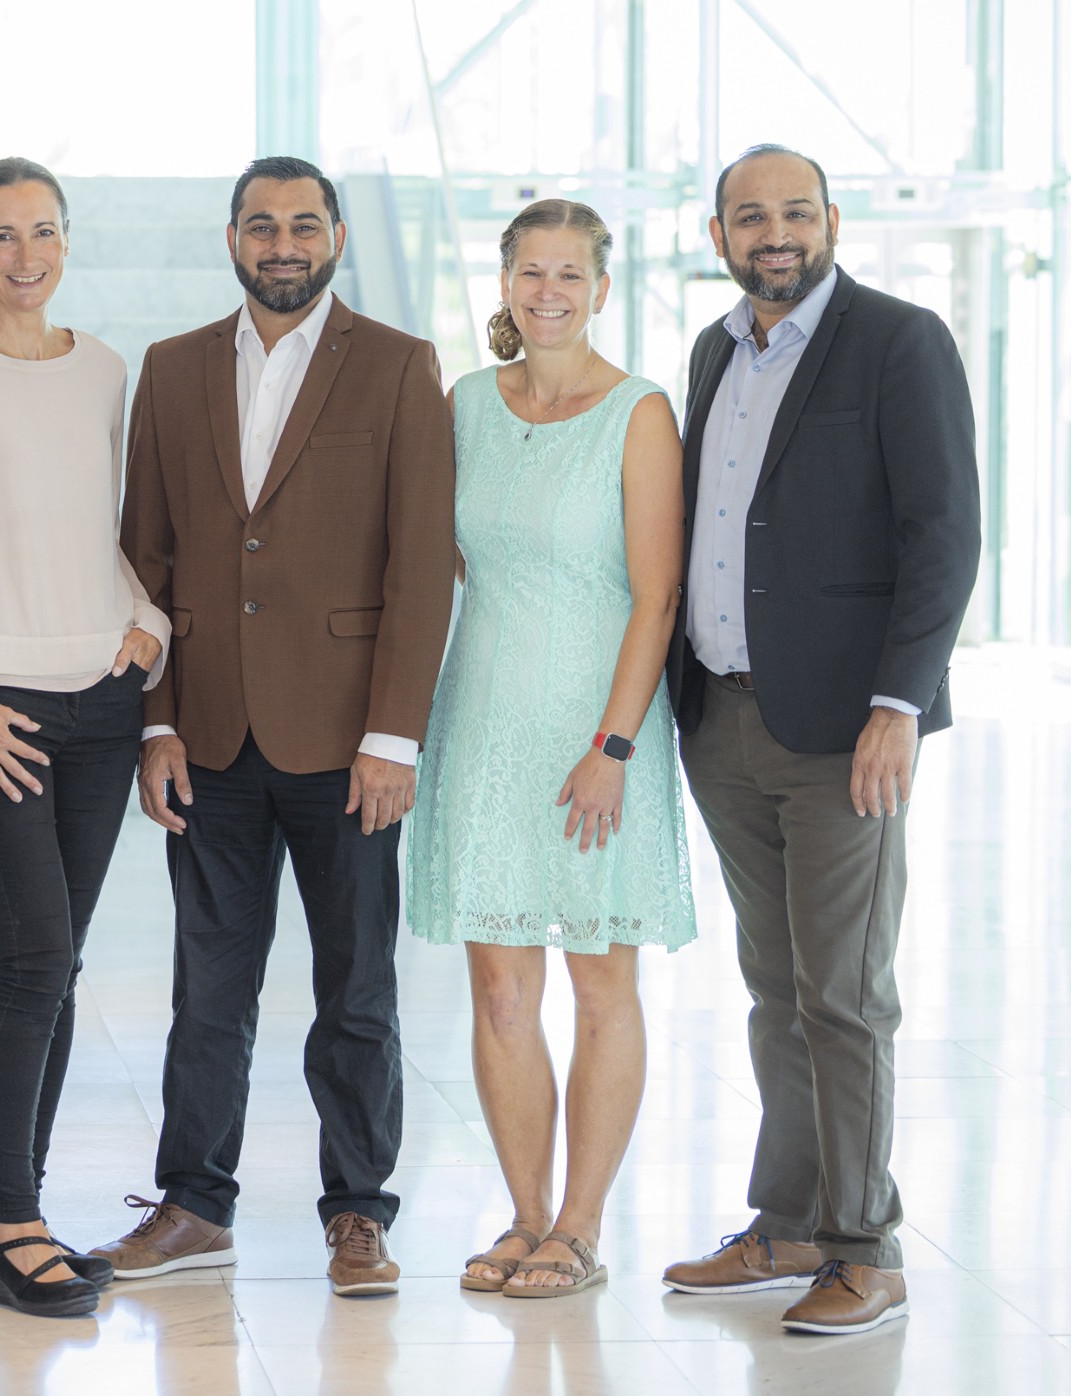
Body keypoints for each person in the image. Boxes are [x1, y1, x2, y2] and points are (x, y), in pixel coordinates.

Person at [102, 156, 457, 1297]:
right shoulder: (171, 368)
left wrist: (395, 735)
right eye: (263, 226)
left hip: (351, 739)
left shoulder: (400, 368)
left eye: (305, 224)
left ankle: (358, 1211)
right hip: (207, 731)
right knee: (208, 987)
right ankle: (195, 1201)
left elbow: (422, 566)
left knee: (356, 988)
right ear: (232, 238)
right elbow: (144, 555)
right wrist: (154, 723)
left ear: (339, 237)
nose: (284, 243)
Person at [659, 145, 981, 1335]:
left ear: (832, 220)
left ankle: (866, 1245)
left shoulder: (899, 343)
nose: (775, 233)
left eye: (796, 212)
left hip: (847, 729)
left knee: (843, 992)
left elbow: (943, 535)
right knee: (774, 987)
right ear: (718, 234)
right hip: (725, 717)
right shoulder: (714, 350)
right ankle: (789, 1222)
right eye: (753, 217)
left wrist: (900, 704)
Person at [0, 157, 171, 1318]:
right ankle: (13, 1224)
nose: (25, 255)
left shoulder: (103, 369)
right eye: (1, 235)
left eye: (43, 232)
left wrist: (147, 623)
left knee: (59, 969)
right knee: (36, 962)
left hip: (101, 699)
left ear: (67, 241)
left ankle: (21, 1203)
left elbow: (111, 527)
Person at [404, 199, 696, 1299]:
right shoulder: (467, 404)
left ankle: (580, 1225)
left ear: (602, 288)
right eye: (532, 272)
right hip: (482, 727)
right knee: (497, 988)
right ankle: (524, 1215)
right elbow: (462, 561)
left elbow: (656, 593)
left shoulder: (639, 412)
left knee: (600, 978)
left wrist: (613, 742)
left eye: (571, 274)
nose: (550, 292)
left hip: (598, 735)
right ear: (507, 282)